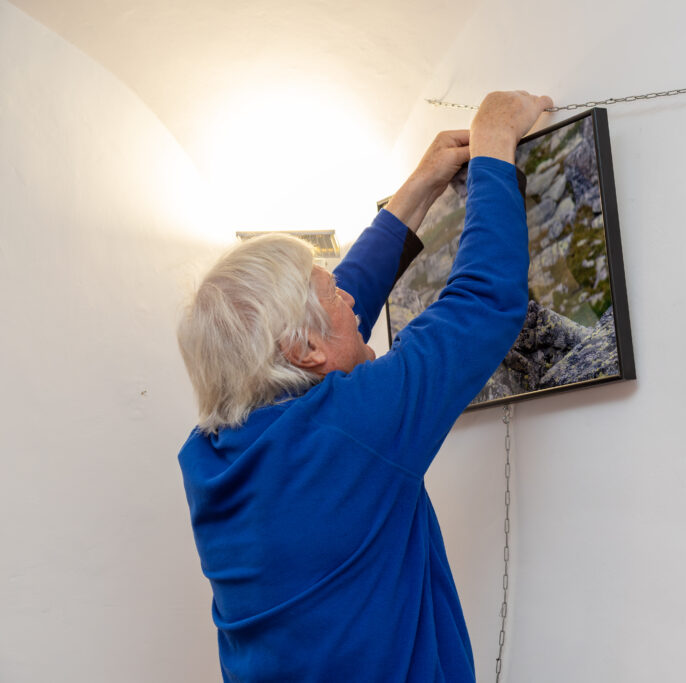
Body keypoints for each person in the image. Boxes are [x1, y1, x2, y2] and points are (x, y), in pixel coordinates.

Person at [175, 90, 552, 682]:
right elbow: (483, 302)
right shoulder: (349, 430)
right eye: (334, 294)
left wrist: (418, 190)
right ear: (304, 349)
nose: (352, 301)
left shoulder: (209, 458)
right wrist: (495, 139)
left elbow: (327, 330)